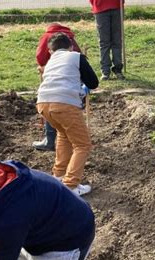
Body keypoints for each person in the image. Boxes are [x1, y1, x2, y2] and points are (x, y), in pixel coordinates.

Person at [36, 33, 99, 196]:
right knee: (82, 145)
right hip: (64, 104)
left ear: (51, 50)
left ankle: (58, 176)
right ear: (70, 47)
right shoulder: (76, 57)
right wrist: (84, 86)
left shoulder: (50, 62)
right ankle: (71, 185)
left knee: (63, 135)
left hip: (43, 104)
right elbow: (93, 82)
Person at [33, 23, 82, 151]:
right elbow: (80, 56)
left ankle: (50, 140)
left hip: (53, 79)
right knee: (70, 105)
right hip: (73, 78)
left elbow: (40, 57)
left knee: (53, 103)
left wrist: (43, 67)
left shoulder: (47, 36)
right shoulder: (70, 38)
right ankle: (73, 138)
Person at [89, 0, 125, 81]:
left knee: (117, 41)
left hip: (116, 6)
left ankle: (118, 69)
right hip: (100, 8)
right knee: (104, 42)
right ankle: (105, 71)